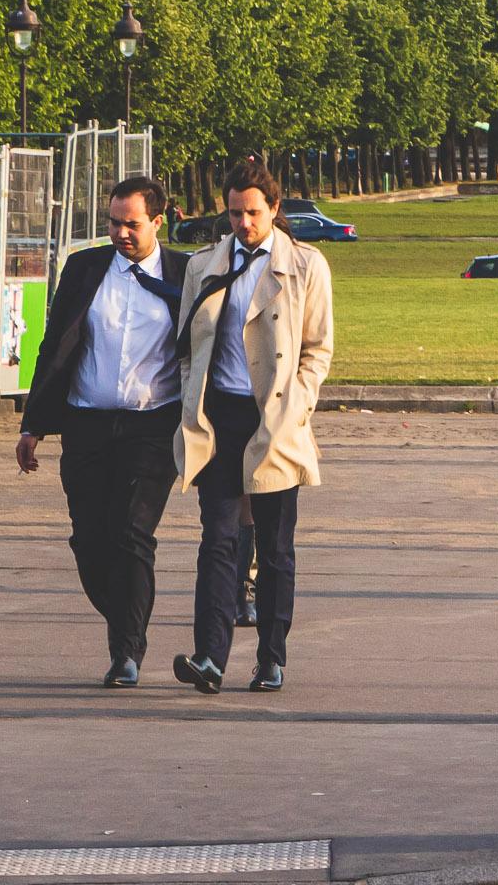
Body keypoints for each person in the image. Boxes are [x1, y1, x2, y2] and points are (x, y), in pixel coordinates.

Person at [17, 176, 190, 684]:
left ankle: (126, 653)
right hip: (87, 423)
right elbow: (56, 347)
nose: (120, 232)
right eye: (113, 222)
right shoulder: (85, 268)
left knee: (131, 533)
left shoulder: (186, 273)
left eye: (131, 223)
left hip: (153, 426)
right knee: (90, 541)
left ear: (158, 221)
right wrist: (34, 423)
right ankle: (126, 619)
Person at [173, 157, 335, 695]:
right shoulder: (204, 265)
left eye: (254, 213)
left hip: (276, 419)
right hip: (219, 417)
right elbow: (186, 345)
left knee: (274, 544)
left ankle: (270, 657)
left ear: (274, 209)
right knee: (217, 539)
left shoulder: (305, 266)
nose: (244, 223)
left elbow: (316, 350)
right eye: (235, 212)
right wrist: (190, 397)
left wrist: (298, 407)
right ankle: (210, 658)